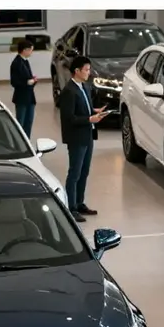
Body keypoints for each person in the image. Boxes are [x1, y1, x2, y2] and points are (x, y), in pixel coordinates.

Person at [59, 55, 106, 222]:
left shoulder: (84, 87)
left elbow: (84, 108)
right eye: (86, 70)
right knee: (75, 173)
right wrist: (89, 119)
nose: (89, 72)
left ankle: (79, 203)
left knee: (84, 172)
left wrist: (94, 111)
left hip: (87, 135)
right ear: (76, 71)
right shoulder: (68, 91)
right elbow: (69, 118)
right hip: (77, 137)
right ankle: (71, 207)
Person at [9, 39, 37, 137]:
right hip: (21, 97)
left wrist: (33, 81)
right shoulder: (16, 63)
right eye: (30, 50)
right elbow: (14, 82)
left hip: (30, 97)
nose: (31, 52)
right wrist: (27, 82)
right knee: (21, 122)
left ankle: (27, 141)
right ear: (24, 50)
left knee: (28, 122)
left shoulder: (26, 62)